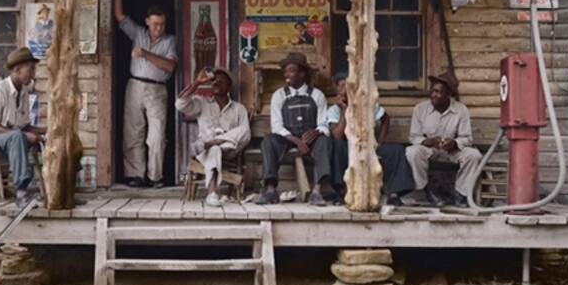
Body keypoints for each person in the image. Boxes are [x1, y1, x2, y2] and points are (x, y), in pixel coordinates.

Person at [113, 0, 178, 188]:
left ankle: (155, 177)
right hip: (135, 85)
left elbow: (170, 65)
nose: (158, 28)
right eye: (155, 24)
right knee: (133, 132)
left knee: (157, 135)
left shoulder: (170, 41)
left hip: (157, 89)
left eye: (161, 24)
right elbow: (119, 16)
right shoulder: (138, 33)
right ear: (147, 22)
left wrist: (146, 54)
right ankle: (136, 175)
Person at [256, 53, 333, 206]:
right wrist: (297, 141)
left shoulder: (317, 95)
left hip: (309, 138)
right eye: (285, 71)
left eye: (291, 70)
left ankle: (317, 192)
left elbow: (324, 124)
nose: (286, 74)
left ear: (302, 73)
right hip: (287, 138)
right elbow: (277, 126)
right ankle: (271, 190)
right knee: (268, 141)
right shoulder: (279, 95)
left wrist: (316, 132)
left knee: (324, 141)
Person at [0, 48, 47, 208]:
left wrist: (47, 130)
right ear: (17, 70)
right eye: (30, 69)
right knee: (18, 136)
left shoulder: (25, 91)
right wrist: (23, 135)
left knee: (48, 137)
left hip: (10, 140)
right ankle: (21, 193)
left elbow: (25, 125)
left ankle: (56, 189)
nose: (33, 74)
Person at [326, 74, 414, 206]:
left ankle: (394, 194)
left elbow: (385, 119)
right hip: (347, 147)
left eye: (349, 85)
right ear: (338, 90)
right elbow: (337, 135)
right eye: (342, 86)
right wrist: (345, 110)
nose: (345, 89)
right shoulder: (333, 110)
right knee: (337, 146)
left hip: (368, 146)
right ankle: (341, 193)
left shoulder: (366, 104)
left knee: (396, 150)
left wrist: (380, 142)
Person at [175, 67, 250, 207]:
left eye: (221, 81)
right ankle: (212, 194)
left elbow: (245, 134)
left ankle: (212, 142)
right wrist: (197, 82)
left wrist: (220, 140)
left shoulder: (239, 108)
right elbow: (180, 105)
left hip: (229, 150)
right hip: (205, 151)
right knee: (215, 150)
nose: (216, 83)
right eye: (214, 80)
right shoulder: (202, 103)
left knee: (244, 130)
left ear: (229, 86)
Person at [404, 71, 481, 207]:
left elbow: (467, 138)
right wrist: (428, 141)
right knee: (412, 152)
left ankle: (460, 194)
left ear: (448, 95)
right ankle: (427, 190)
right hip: (430, 150)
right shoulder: (420, 109)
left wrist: (454, 143)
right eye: (432, 90)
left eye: (439, 92)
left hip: (451, 151)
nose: (434, 95)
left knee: (474, 155)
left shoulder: (461, 109)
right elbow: (414, 137)